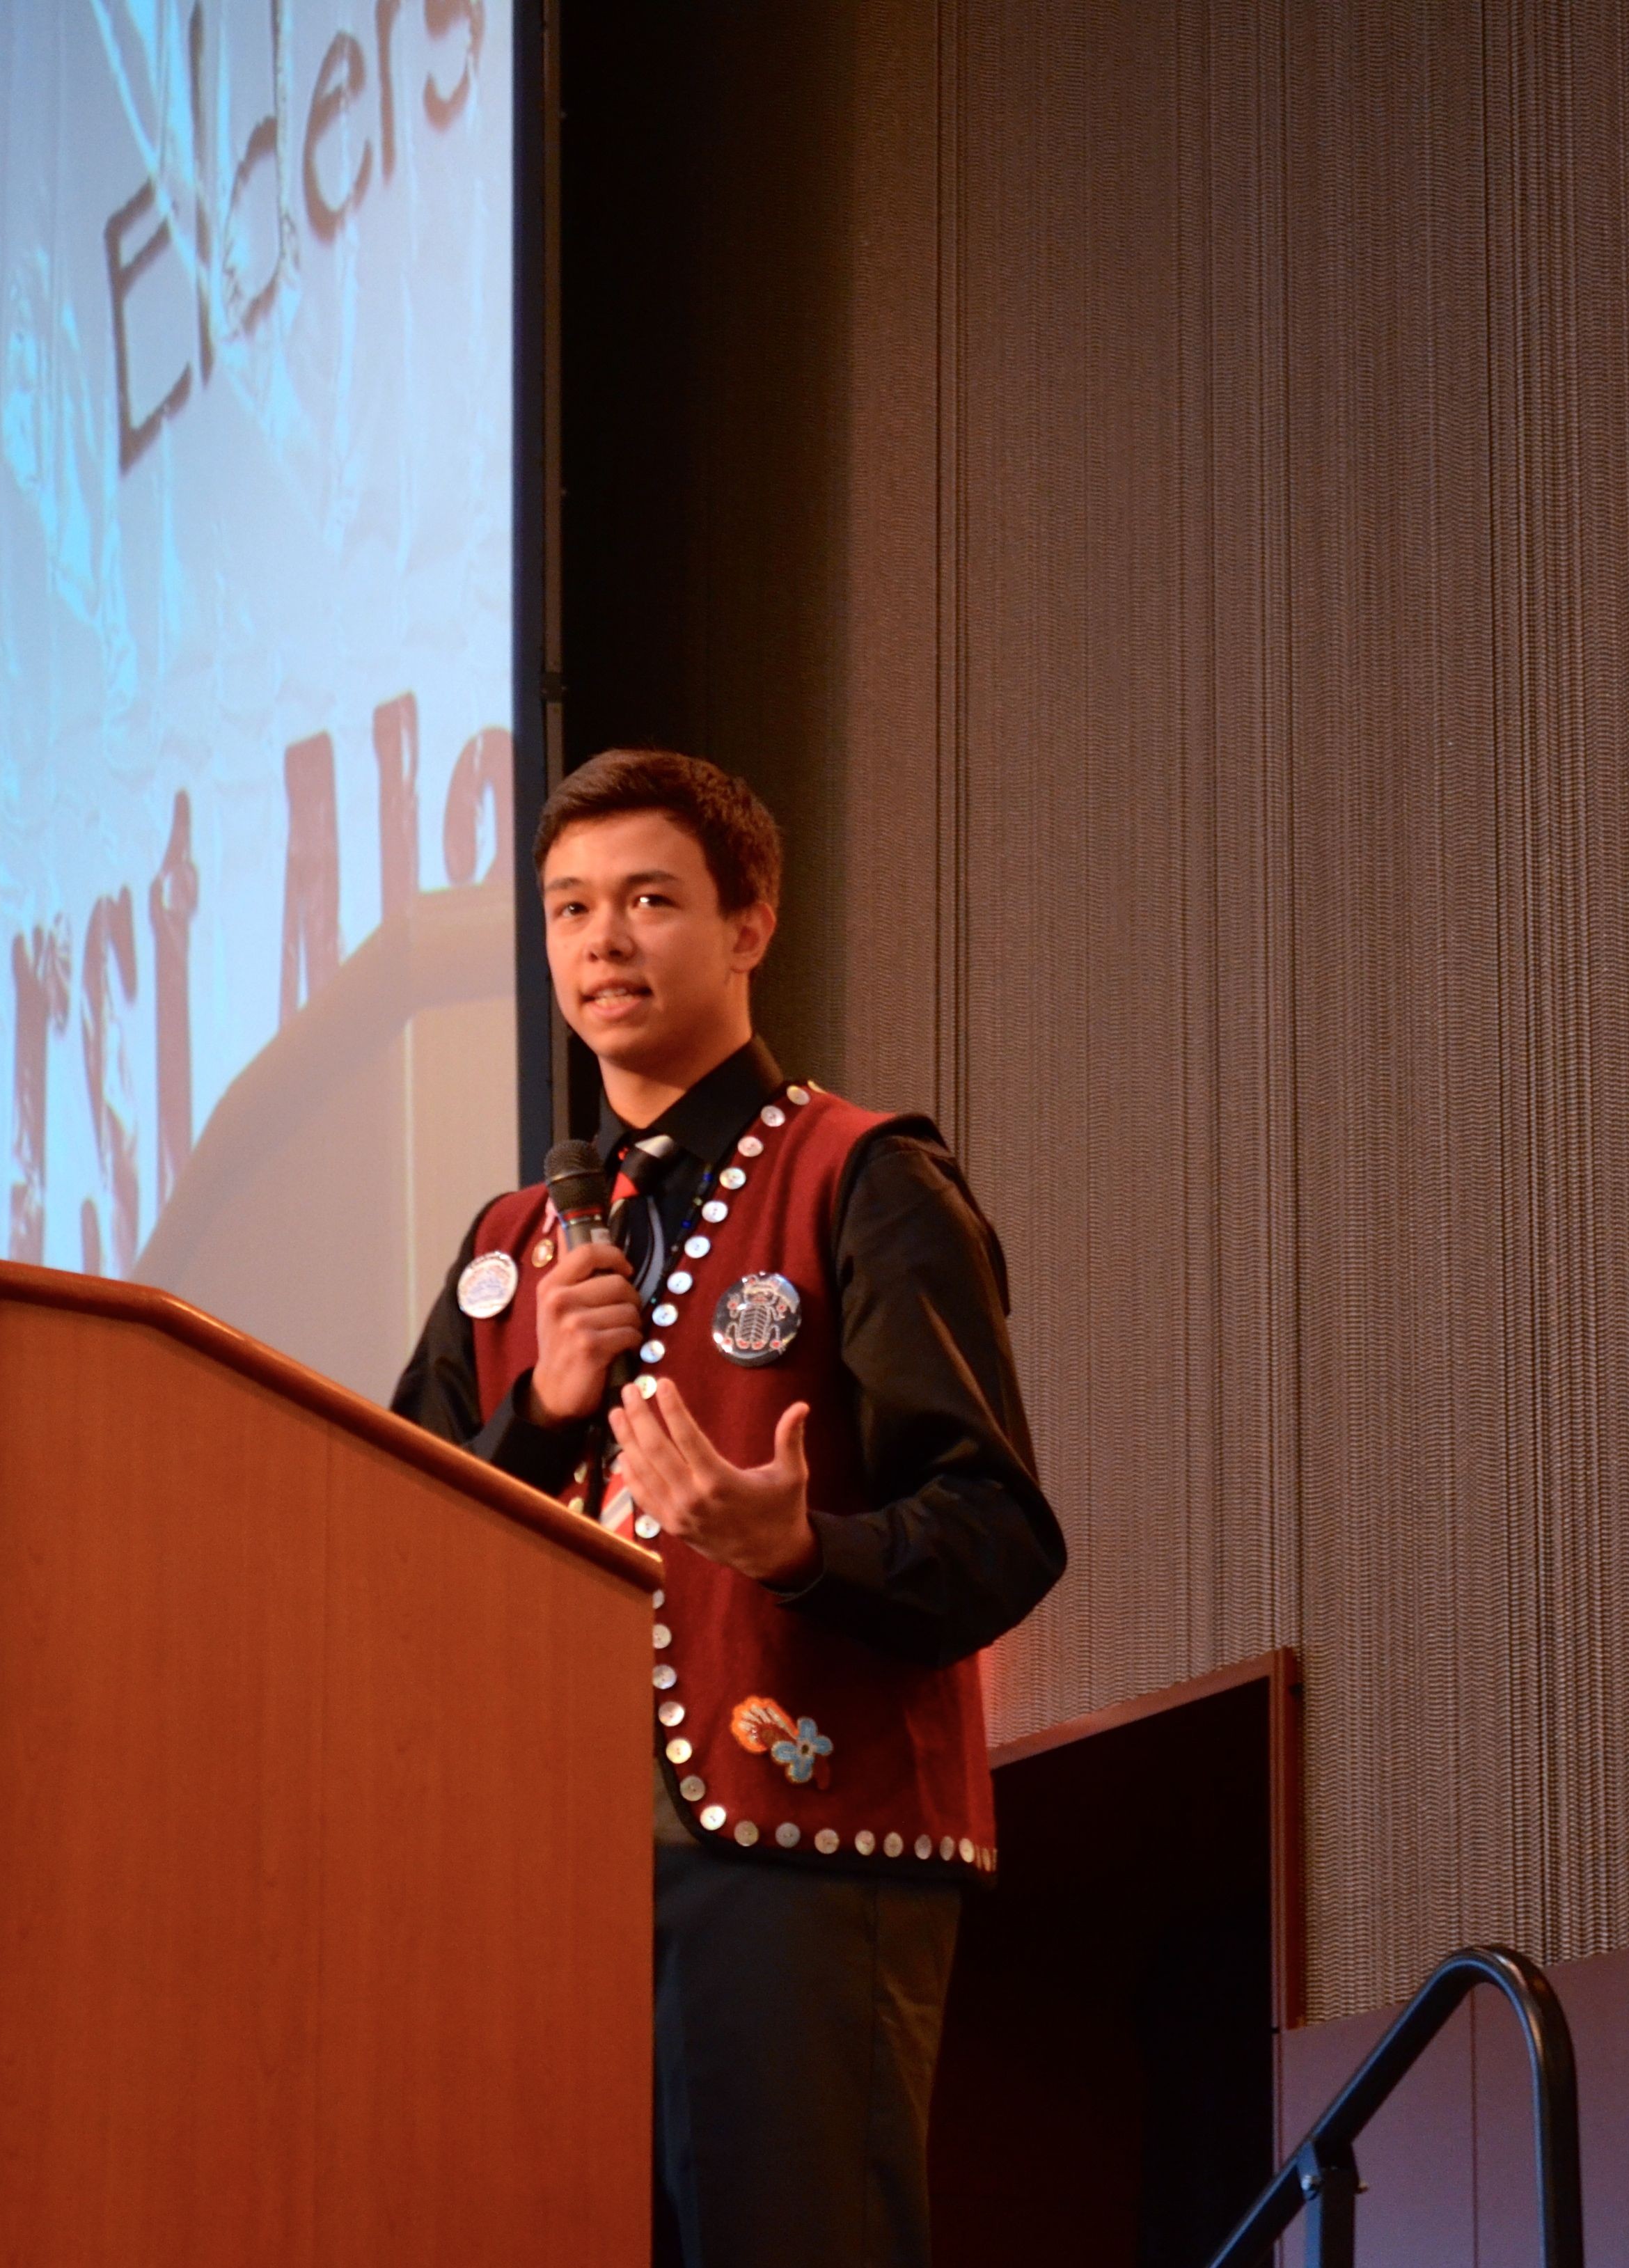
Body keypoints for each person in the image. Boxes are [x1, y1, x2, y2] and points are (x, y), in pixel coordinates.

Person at [392, 749, 1064, 2268]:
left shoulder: (862, 1178)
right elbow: (390, 1550)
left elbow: (998, 1531)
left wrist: (799, 1549)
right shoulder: (508, 1246)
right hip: (535, 1875)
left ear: (749, 922)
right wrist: (533, 1416)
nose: (601, 943)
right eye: (568, 909)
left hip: (790, 1856)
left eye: (648, 900)